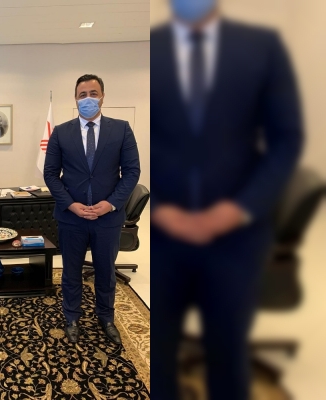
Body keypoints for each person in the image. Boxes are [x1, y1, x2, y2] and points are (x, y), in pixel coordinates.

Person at [150, 0, 302, 399]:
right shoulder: (152, 47)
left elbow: (287, 140)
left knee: (228, 355)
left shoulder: (262, 47)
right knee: (158, 356)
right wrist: (161, 210)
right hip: (164, 239)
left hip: (236, 238)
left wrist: (239, 210)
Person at [43, 74, 140, 346]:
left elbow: (131, 172)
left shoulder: (121, 129)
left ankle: (106, 318)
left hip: (107, 217)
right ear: (75, 99)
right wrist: (71, 204)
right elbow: (50, 174)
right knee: (71, 271)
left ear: (102, 97)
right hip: (71, 217)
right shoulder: (61, 132)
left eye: (93, 93)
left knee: (106, 272)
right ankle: (72, 318)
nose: (88, 99)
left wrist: (110, 203)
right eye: (82, 94)